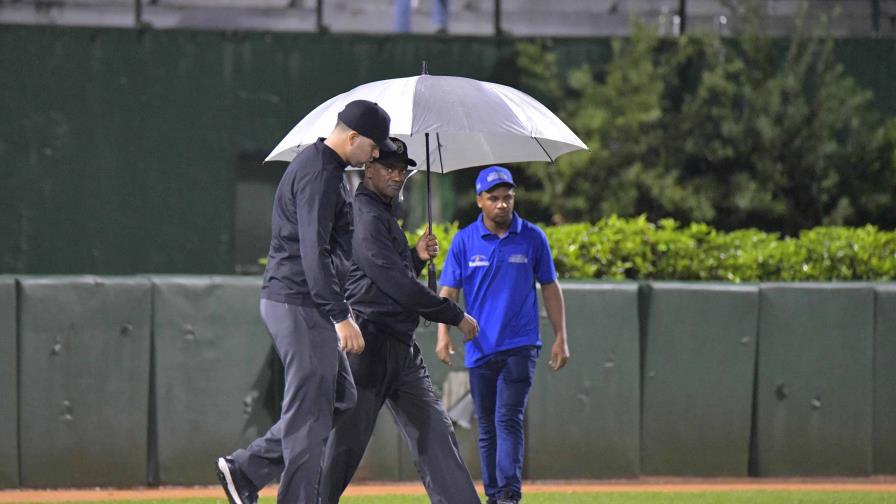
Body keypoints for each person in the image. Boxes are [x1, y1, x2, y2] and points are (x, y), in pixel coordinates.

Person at [215, 100, 397, 504]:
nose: (377, 154)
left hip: (302, 299)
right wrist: (340, 315)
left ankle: (246, 469)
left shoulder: (325, 167)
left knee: (337, 399)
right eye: (374, 145)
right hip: (299, 300)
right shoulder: (320, 172)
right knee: (309, 416)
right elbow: (313, 251)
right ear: (353, 137)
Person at [320, 137, 481, 504]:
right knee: (343, 447)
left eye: (402, 169)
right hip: (367, 344)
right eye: (389, 168)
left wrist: (416, 256)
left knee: (435, 432)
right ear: (368, 168)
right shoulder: (364, 214)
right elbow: (394, 284)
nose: (397, 175)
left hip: (400, 349)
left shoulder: (381, 212)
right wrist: (454, 315)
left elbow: (390, 273)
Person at [436, 166, 570, 504]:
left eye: (507, 197)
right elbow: (448, 292)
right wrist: (442, 335)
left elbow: (550, 287)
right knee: (487, 428)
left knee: (507, 418)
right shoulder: (464, 241)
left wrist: (560, 336)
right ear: (480, 200)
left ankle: (508, 494)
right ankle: (495, 494)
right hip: (480, 347)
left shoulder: (532, 237)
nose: (501, 204)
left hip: (520, 345)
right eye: (493, 198)